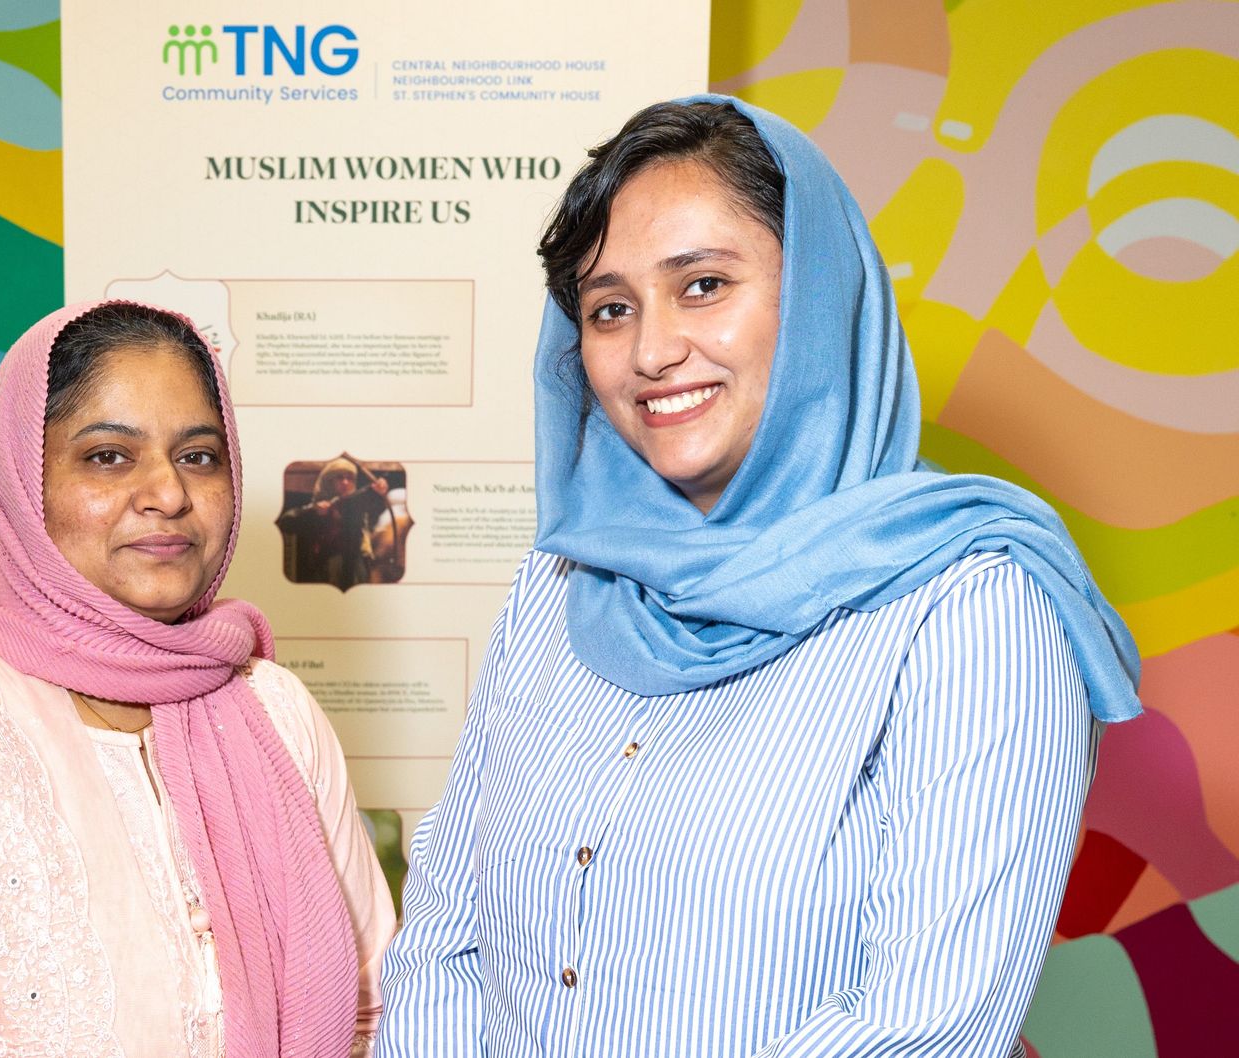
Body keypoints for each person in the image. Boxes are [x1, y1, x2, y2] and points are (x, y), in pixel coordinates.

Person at [376, 97, 1141, 1057]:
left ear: (820, 294)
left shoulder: (964, 606)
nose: (651, 351)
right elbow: (450, 924)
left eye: (701, 285)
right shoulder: (562, 581)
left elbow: (925, 1025)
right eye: (610, 308)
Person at [0, 300, 394, 1057]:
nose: (168, 494)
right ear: (22, 482)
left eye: (199, 456)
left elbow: (380, 1011)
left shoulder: (275, 710)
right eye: (108, 455)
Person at [276, 458, 391, 590]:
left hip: (355, 572)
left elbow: (363, 498)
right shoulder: (318, 507)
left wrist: (378, 489)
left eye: (350, 478)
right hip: (324, 572)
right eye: (339, 478)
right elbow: (286, 522)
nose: (345, 482)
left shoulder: (356, 504)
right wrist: (314, 512)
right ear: (329, 482)